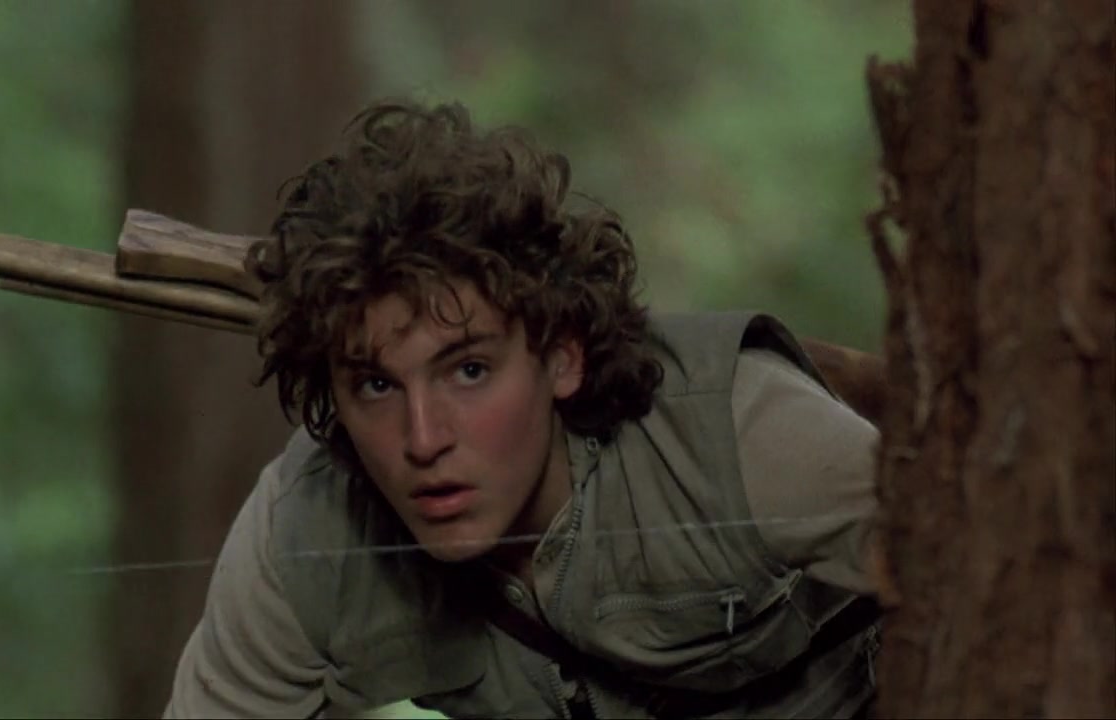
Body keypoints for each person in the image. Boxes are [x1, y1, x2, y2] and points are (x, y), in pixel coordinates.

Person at [164, 99, 882, 719]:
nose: (423, 439)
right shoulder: (305, 538)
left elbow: (955, 577)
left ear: (562, 355)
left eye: (469, 371)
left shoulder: (734, 431)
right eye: (377, 386)